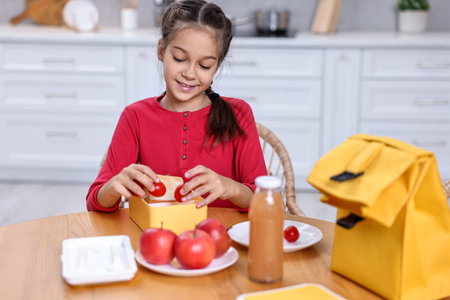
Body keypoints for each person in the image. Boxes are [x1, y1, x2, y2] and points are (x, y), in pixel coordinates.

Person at [86, 0, 267, 212]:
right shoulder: (135, 116)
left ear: (217, 66)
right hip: (155, 238)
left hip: (222, 239)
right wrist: (113, 187)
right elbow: (94, 203)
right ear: (161, 50)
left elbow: (265, 201)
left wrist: (230, 188)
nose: (189, 73)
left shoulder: (238, 113)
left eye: (204, 65)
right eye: (179, 58)